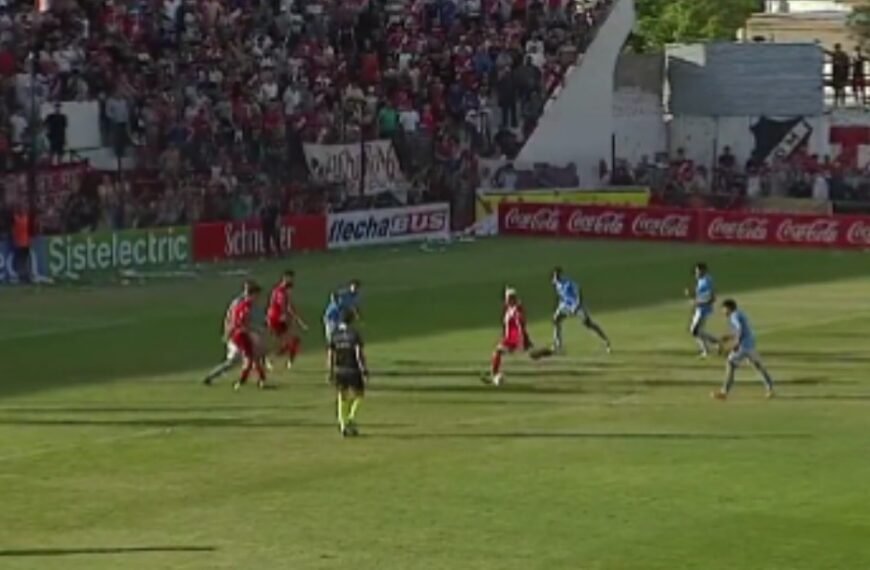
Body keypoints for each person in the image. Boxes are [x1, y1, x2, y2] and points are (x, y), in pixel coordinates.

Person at [484, 287, 553, 386]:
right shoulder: (509, 309)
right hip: (511, 339)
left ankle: (494, 376)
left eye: (507, 298)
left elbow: (521, 324)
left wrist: (521, 340)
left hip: (515, 340)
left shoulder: (517, 310)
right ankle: (551, 351)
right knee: (533, 354)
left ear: (512, 299)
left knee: (497, 351)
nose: (506, 300)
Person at [713, 299, 775, 401]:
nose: (723, 312)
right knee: (758, 366)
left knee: (730, 363)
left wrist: (737, 343)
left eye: (723, 309)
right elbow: (741, 330)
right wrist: (727, 337)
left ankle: (724, 392)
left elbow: (740, 329)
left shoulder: (734, 316)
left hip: (743, 346)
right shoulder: (740, 313)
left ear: (728, 308)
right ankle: (770, 389)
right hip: (750, 345)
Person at [203, 281, 257, 385]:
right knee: (233, 361)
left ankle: (254, 379)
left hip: (239, 333)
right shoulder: (238, 302)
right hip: (235, 334)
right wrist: (228, 332)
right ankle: (211, 376)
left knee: (251, 356)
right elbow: (230, 318)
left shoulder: (246, 302)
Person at [327, 309, 369, 437]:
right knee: (359, 394)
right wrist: (363, 368)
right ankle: (351, 418)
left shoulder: (335, 334)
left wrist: (330, 370)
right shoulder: (354, 334)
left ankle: (343, 424)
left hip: (339, 369)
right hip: (353, 369)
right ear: (351, 320)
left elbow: (330, 354)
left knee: (342, 396)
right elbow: (358, 353)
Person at [551, 267, 611, 354]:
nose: (555, 278)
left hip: (576, 305)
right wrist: (560, 306)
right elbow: (561, 295)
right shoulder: (556, 283)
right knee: (556, 320)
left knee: (588, 324)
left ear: (560, 275)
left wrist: (577, 304)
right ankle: (558, 345)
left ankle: (606, 341)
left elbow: (578, 291)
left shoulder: (568, 283)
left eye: (557, 276)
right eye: (554, 276)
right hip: (565, 306)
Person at [266, 270, 308, 370]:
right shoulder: (280, 291)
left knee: (293, 341)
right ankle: (272, 359)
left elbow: (289, 306)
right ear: (284, 278)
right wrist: (288, 318)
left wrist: (299, 321)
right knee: (291, 341)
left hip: (279, 319)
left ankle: (282, 360)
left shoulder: (283, 290)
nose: (291, 279)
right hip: (276, 320)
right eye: (290, 277)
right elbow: (284, 307)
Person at [229, 282, 268, 390]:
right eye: (257, 295)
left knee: (255, 358)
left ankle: (261, 380)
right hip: (241, 335)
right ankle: (240, 383)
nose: (258, 298)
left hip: (242, 334)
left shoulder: (244, 305)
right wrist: (254, 332)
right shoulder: (244, 307)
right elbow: (242, 324)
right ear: (252, 295)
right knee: (250, 360)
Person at [685, 262, 720, 358]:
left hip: (703, 309)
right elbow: (701, 296)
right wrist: (692, 296)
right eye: (696, 272)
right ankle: (709, 348)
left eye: (698, 272)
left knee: (695, 331)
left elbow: (711, 297)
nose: (696, 274)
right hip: (700, 308)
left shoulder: (706, 281)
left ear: (704, 271)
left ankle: (714, 344)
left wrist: (698, 302)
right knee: (697, 331)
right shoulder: (701, 280)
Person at [11, 205, 32, 284]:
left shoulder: (17, 220)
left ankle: (23, 277)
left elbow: (14, 217)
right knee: (25, 261)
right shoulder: (26, 219)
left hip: (19, 243)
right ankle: (27, 277)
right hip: (26, 243)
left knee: (20, 261)